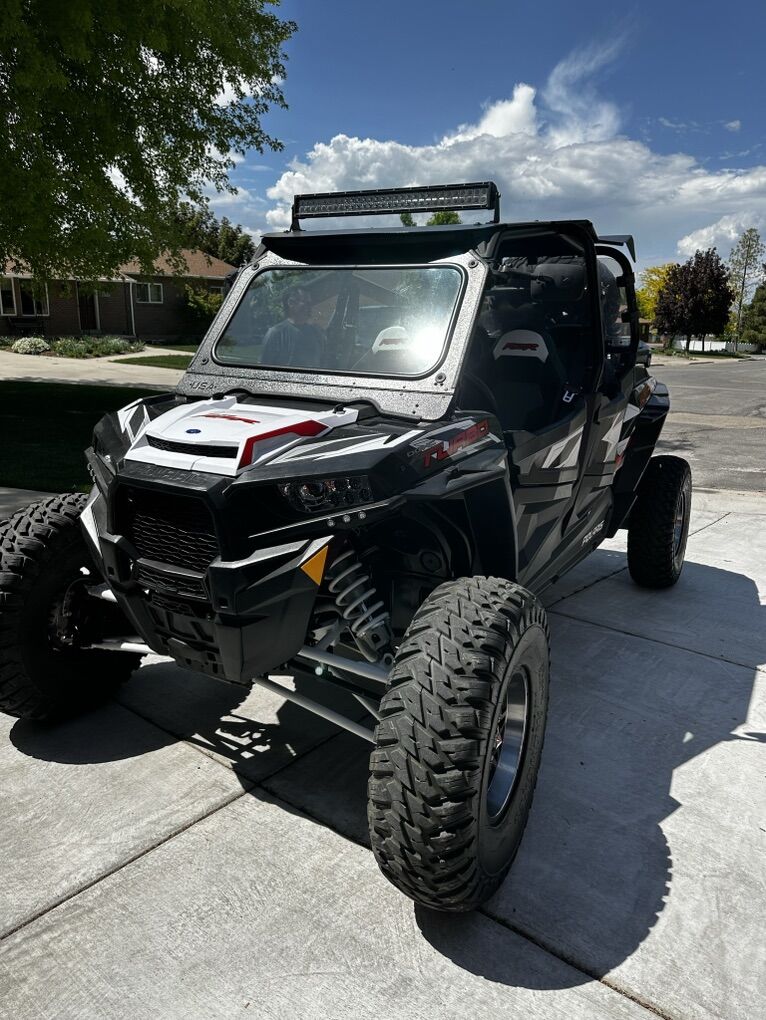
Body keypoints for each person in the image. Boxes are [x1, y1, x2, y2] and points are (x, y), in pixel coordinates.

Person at [261, 286, 326, 369]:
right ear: (291, 303)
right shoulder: (276, 333)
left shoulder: (317, 333)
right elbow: (264, 368)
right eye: (305, 302)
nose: (309, 307)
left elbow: (323, 363)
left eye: (310, 303)